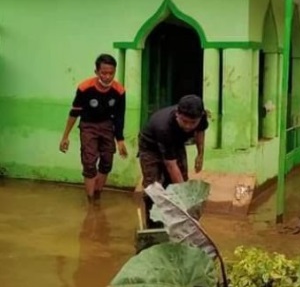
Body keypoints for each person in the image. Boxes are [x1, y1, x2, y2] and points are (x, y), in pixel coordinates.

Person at [59, 54, 128, 205]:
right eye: (104, 73)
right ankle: (91, 202)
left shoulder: (119, 91)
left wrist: (120, 140)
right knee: (89, 162)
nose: (107, 77)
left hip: (107, 126)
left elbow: (119, 117)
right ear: (96, 72)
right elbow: (74, 113)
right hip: (88, 126)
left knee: (107, 162)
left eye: (111, 73)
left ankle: (97, 196)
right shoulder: (85, 88)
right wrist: (65, 136)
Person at [138, 94, 208, 228]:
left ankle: (176, 223)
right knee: (154, 189)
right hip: (150, 148)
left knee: (182, 181)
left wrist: (200, 154)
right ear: (177, 114)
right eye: (184, 121)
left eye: (193, 123)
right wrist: (185, 200)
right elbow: (171, 166)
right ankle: (153, 226)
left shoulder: (201, 117)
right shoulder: (163, 127)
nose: (188, 126)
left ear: (200, 116)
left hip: (176, 144)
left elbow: (200, 131)